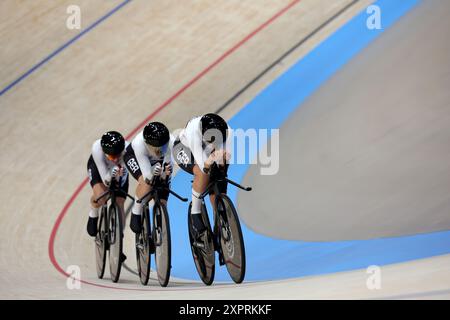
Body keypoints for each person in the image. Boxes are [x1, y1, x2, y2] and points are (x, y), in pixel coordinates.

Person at [172, 113, 231, 239]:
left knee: (220, 174)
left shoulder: (227, 130)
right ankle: (196, 212)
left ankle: (219, 213)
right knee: (202, 173)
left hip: (206, 149)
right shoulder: (193, 131)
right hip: (184, 148)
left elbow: (224, 159)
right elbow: (204, 166)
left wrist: (221, 166)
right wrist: (212, 160)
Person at [124, 122, 174, 234]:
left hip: (156, 162)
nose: (160, 151)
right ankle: (136, 211)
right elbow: (147, 176)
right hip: (134, 157)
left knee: (163, 190)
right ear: (147, 144)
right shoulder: (139, 144)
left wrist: (164, 176)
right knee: (146, 183)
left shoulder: (171, 143)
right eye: (156, 148)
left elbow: (167, 176)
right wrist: (153, 173)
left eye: (163, 147)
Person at [86, 131, 129, 238]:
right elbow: (106, 180)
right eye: (111, 157)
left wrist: (118, 176)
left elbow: (122, 180)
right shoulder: (97, 148)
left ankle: (119, 238)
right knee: (101, 197)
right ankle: (94, 211)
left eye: (117, 155)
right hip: (99, 168)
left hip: (119, 172)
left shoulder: (128, 150)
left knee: (120, 202)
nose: (114, 159)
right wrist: (110, 176)